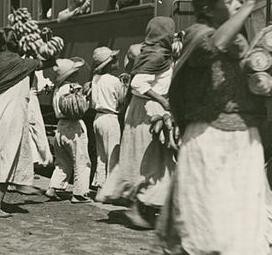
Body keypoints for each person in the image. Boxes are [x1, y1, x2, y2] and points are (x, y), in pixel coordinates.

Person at [148, 0, 272, 255]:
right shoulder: (198, 33)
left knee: (244, 222)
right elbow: (212, 48)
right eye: (231, 0)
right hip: (206, 138)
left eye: (239, 0)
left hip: (243, 140)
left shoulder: (239, 39)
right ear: (208, 9)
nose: (238, 4)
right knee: (197, 217)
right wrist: (252, 3)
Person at [96, 17, 177, 230]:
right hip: (147, 112)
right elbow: (138, 83)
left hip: (140, 111)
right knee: (148, 161)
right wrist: (161, 100)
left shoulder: (148, 52)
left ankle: (144, 210)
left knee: (146, 160)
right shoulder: (158, 54)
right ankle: (138, 209)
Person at [0, 28, 51, 218]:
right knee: (8, 156)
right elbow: (49, 62)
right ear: (17, 44)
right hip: (13, 115)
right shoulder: (23, 64)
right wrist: (49, 43)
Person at [45, 57, 92, 203]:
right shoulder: (73, 88)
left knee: (62, 161)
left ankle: (54, 187)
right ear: (71, 75)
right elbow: (81, 107)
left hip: (60, 127)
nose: (78, 74)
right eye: (76, 72)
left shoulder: (58, 90)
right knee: (81, 160)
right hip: (73, 126)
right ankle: (80, 193)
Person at [88, 46, 126, 189]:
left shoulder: (95, 79)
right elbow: (121, 100)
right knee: (113, 154)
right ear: (110, 63)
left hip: (98, 117)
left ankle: (100, 184)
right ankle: (111, 188)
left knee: (100, 154)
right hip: (110, 118)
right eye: (114, 59)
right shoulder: (115, 81)